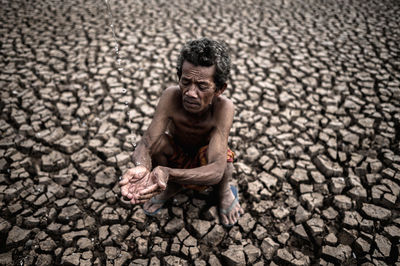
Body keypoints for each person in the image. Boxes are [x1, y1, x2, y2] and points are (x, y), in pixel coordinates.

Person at [119, 37, 244, 227]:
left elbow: (216, 170)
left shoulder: (224, 108)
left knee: (226, 161)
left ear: (219, 89)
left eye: (202, 86)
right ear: (179, 78)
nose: (191, 93)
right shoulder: (171, 96)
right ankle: (170, 186)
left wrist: (168, 172)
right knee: (159, 143)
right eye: (186, 82)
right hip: (177, 154)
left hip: (204, 163)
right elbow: (146, 143)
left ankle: (224, 192)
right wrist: (143, 166)